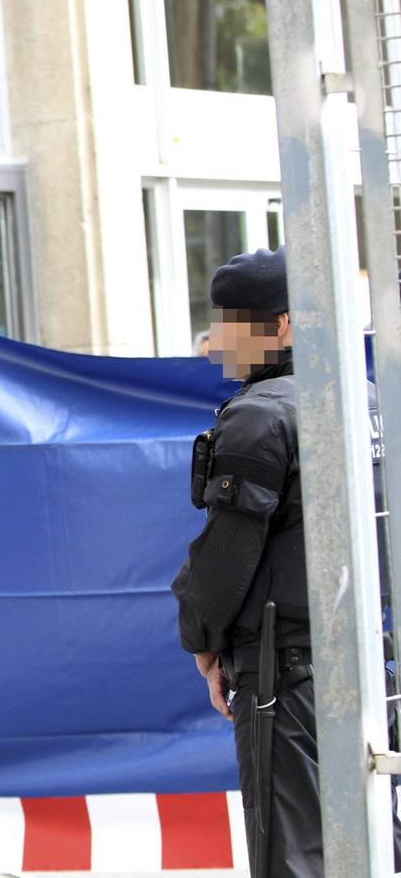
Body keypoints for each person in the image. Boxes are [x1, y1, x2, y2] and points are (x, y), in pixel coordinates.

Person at [170, 246, 396, 877]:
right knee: (371, 842)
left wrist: (202, 640)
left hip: (287, 675)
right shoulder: (365, 397)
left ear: (284, 325)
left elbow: (226, 555)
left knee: (293, 855)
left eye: (230, 324)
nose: (216, 342)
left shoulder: (261, 414)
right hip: (367, 663)